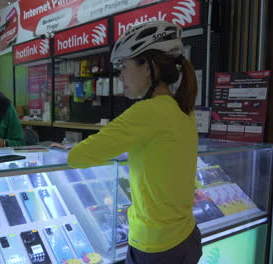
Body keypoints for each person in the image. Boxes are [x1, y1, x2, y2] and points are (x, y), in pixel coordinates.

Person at [67, 21, 202, 263]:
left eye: (124, 66)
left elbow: (77, 156)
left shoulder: (147, 112)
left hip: (156, 246)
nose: (120, 75)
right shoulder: (183, 109)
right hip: (186, 236)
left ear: (147, 68)